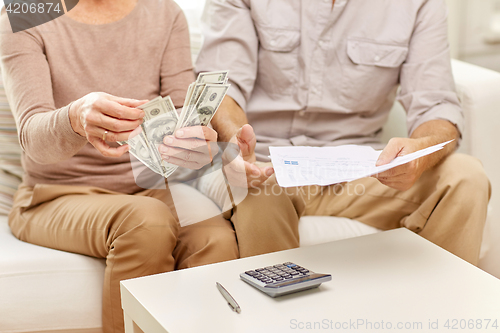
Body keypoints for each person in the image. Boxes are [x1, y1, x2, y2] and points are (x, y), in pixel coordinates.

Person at [0, 1, 238, 332]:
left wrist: (198, 141)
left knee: (216, 238)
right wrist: (75, 116)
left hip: (147, 187)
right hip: (53, 195)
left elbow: (183, 114)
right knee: (146, 222)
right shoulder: (25, 14)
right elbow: (33, 139)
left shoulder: (164, 14)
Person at [195, 0, 491, 265]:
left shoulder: (417, 4)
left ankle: (437, 320)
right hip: (263, 162)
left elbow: (436, 106)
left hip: (361, 171)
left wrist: (418, 152)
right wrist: (236, 141)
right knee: (259, 192)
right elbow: (221, 89)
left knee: (465, 176)